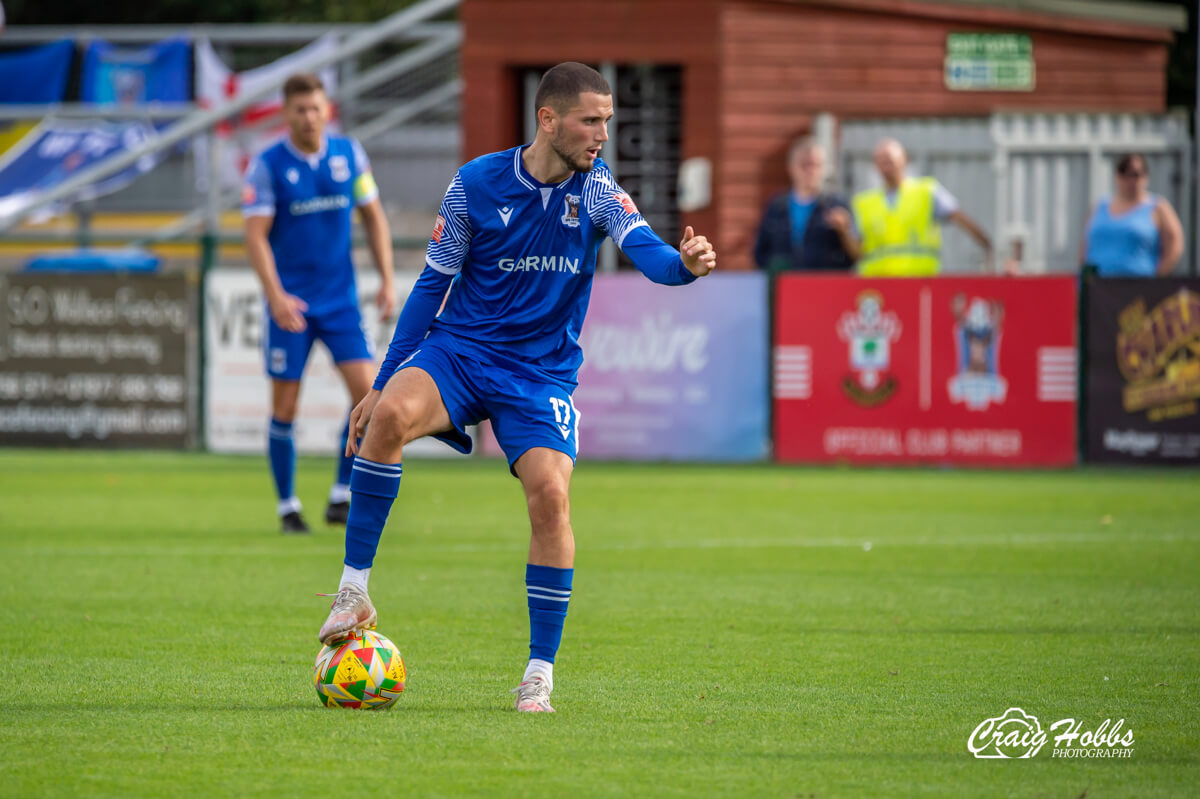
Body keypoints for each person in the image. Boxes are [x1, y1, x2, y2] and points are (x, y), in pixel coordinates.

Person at [316, 61, 716, 713]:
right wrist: (381, 382)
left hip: (539, 374)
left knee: (551, 499)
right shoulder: (475, 184)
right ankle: (353, 589)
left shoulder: (598, 191)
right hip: (462, 351)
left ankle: (538, 671)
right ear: (548, 119)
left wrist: (685, 267)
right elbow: (430, 288)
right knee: (385, 418)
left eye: (608, 122)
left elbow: (648, 252)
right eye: (591, 121)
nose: (601, 135)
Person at [242, 73, 396, 534]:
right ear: (286, 114)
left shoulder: (350, 155)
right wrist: (275, 297)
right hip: (291, 306)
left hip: (340, 303)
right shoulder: (267, 165)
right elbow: (255, 236)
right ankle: (288, 506)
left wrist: (387, 278)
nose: (309, 117)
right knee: (285, 408)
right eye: (300, 110)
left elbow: (373, 216)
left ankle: (339, 495)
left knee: (369, 399)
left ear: (328, 110)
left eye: (316, 108)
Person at [852, 138, 995, 276]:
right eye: (881, 161)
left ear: (904, 160)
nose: (886, 167)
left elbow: (959, 216)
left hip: (919, 281)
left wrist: (986, 245)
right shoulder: (864, 202)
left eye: (889, 160)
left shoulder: (927, 191)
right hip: (879, 284)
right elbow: (858, 250)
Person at [753, 137, 858, 271]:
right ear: (791, 167)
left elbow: (856, 255)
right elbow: (760, 253)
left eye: (815, 165)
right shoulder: (777, 207)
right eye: (804, 164)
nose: (810, 170)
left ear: (825, 168)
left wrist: (845, 231)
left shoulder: (836, 205)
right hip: (785, 287)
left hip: (826, 287)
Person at [1080, 153, 1184, 277]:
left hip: (1138, 288)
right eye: (1124, 174)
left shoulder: (1158, 207)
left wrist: (1158, 279)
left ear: (1146, 177)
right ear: (1117, 176)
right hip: (1098, 286)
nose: (1130, 180)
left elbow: (1175, 245)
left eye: (1135, 174)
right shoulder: (1099, 206)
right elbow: (1084, 246)